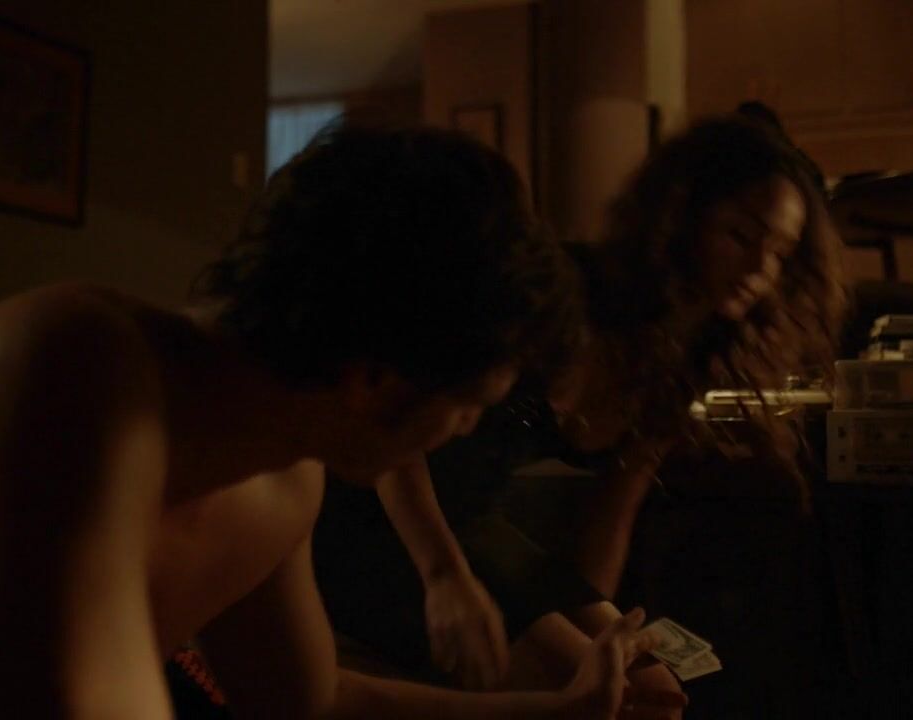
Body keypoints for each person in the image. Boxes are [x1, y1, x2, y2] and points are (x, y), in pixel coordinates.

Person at [0, 124, 657, 719]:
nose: (464, 432)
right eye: (468, 405)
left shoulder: (284, 480)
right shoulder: (68, 366)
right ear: (372, 379)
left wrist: (553, 711)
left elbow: (308, 702)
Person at [313, 116, 847, 717]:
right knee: (574, 689)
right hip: (393, 518)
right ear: (681, 216)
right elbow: (398, 430)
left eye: (780, 253)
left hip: (480, 529)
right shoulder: (558, 295)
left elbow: (611, 515)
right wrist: (445, 578)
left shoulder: (688, 356)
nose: (759, 269)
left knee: (650, 691)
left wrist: (607, 645)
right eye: (741, 235)